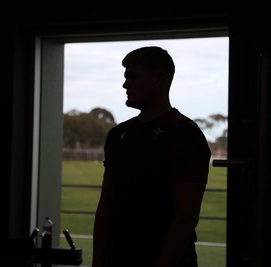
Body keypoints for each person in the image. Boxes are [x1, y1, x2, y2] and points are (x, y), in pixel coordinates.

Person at [92, 46, 211, 267]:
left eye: (133, 77)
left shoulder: (185, 134)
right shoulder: (118, 135)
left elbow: (186, 217)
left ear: (159, 78)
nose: (125, 84)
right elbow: (106, 205)